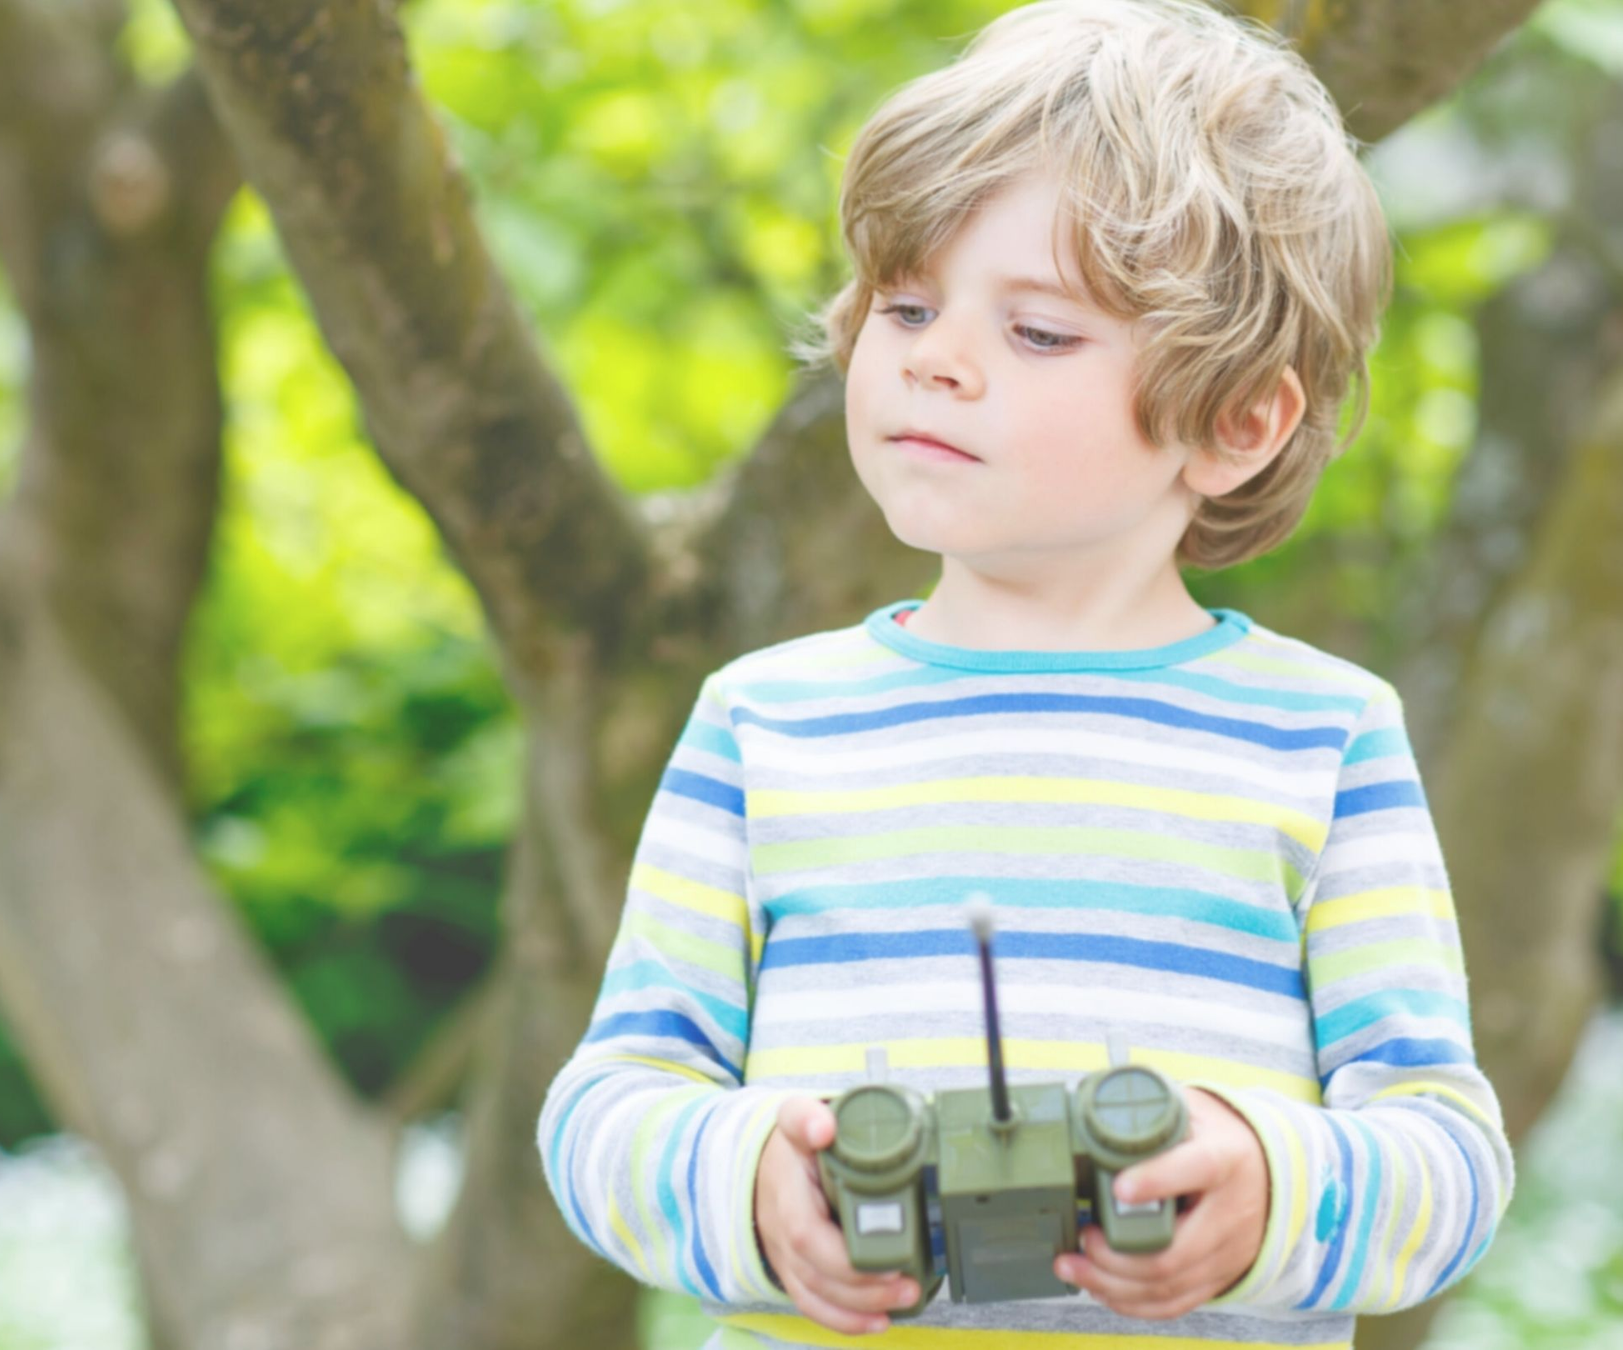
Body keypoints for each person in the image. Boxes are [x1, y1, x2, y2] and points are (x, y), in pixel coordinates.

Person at [535, 1, 1515, 1344]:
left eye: (1039, 332)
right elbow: (608, 1105)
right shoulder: (764, 725)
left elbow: (1448, 1158)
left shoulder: (1322, 740)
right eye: (908, 303)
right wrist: (746, 1181)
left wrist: (1272, 1184)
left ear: (1236, 419)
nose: (935, 358)